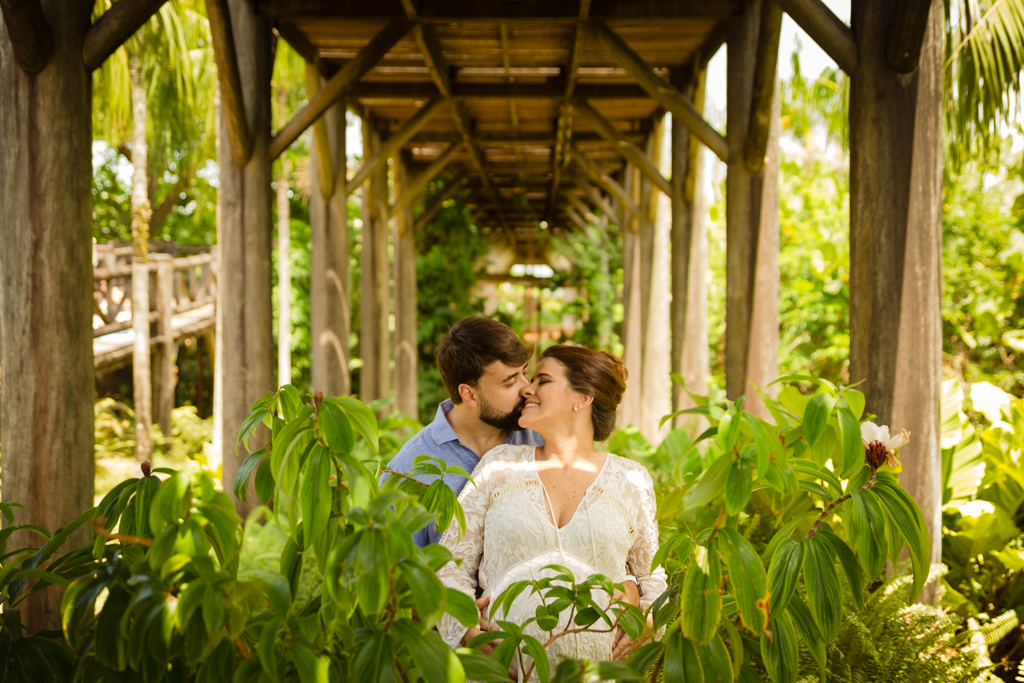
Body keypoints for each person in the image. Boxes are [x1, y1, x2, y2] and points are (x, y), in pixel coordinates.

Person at [435, 345, 667, 681]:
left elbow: (653, 578)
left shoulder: (631, 480)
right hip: (498, 672)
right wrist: (464, 628)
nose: (527, 388)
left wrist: (646, 623)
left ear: (582, 398)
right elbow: (449, 562)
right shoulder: (498, 465)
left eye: (542, 380)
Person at [381, 316, 543, 547]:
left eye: (524, 372)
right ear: (468, 394)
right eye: (510, 382)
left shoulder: (541, 438)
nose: (526, 387)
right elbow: (399, 572)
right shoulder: (407, 473)